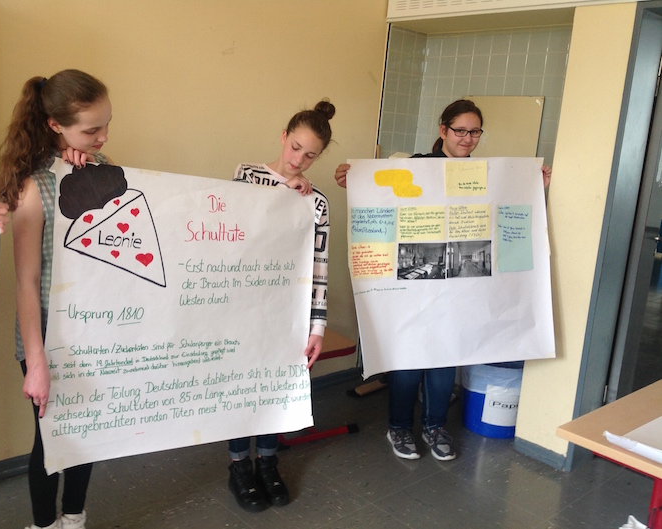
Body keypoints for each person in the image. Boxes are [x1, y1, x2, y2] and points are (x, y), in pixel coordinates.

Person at [334, 99, 550, 462]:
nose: (467, 138)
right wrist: (351, 178)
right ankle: (399, 427)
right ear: (443, 130)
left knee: (444, 357)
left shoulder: (485, 174)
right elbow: (381, 193)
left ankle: (435, 427)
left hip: (457, 292)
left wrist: (533, 185)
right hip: (411, 292)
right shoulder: (417, 167)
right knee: (407, 360)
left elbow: (503, 210)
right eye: (460, 130)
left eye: (474, 131)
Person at [0, 69, 113, 529]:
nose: (103, 137)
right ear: (55, 125)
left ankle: (74, 518)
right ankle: (44, 524)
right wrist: (36, 363)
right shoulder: (33, 188)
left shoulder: (103, 168)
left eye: (106, 125)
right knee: (51, 437)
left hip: (93, 327)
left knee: (85, 431)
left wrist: (87, 171)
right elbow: (26, 282)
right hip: (46, 333)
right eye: (92, 129)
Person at [228, 100, 333, 511]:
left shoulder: (317, 201)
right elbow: (233, 233)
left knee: (278, 387)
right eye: (295, 147)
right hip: (242, 306)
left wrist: (317, 327)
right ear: (283, 136)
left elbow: (319, 265)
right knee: (241, 387)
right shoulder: (246, 176)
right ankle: (239, 465)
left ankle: (268, 462)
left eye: (310, 156)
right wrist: (282, 195)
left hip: (289, 313)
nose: (298, 160)